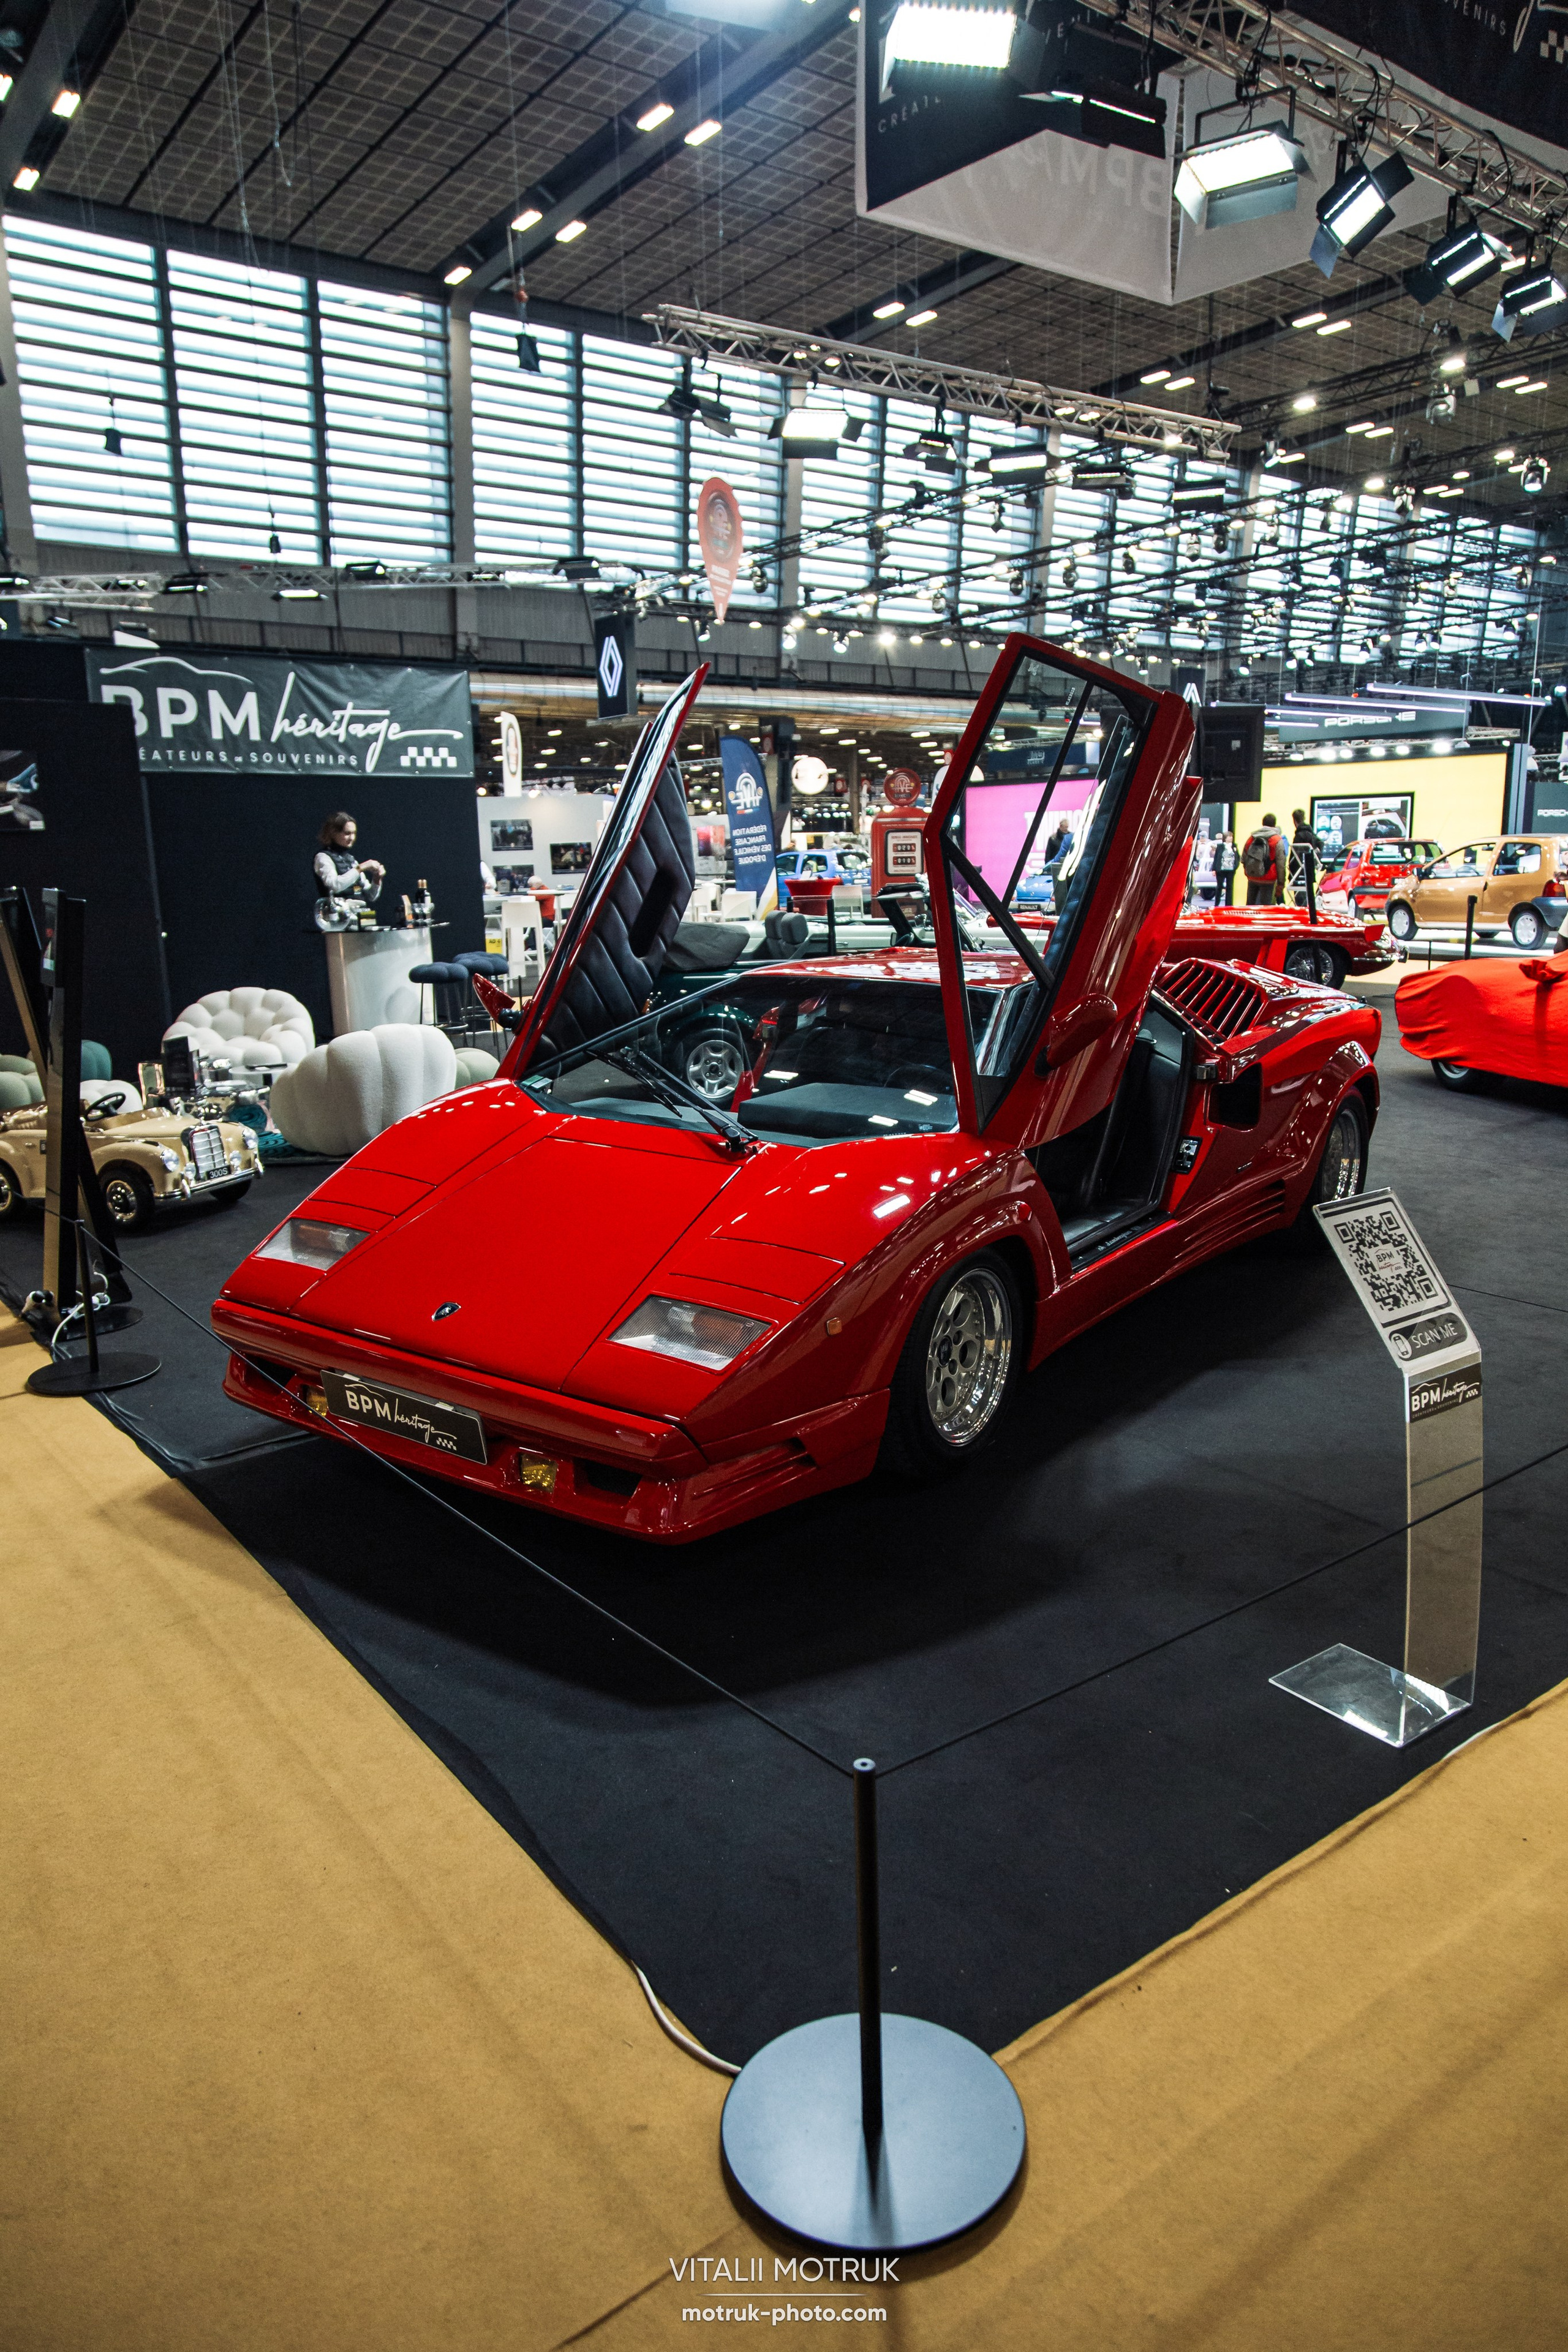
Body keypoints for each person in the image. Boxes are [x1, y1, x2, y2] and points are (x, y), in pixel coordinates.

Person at [314, 812, 384, 915]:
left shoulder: (351, 860)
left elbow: (371, 896)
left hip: (359, 915)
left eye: (354, 833)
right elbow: (335, 886)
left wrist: (377, 879)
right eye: (347, 833)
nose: (352, 838)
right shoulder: (323, 857)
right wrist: (360, 868)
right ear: (333, 833)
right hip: (338, 918)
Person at [1241, 812, 1289, 905]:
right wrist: (1281, 883)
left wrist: (1249, 873)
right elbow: (1281, 864)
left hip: (1252, 877)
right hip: (1269, 879)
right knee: (1267, 907)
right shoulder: (1277, 840)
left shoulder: (1252, 837)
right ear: (1274, 824)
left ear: (1263, 823)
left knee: (1250, 907)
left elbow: (1243, 859)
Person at [1289, 808, 1322, 907]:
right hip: (1310, 873)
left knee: (1300, 905)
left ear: (1294, 820)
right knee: (1309, 903)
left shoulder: (1299, 836)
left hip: (1298, 874)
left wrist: (1290, 873)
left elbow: (1294, 859)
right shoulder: (1313, 835)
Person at [1212, 829, 1240, 907]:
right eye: (1229, 836)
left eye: (1232, 836)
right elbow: (1216, 858)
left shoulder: (1234, 846)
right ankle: (1216, 904)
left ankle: (1229, 904)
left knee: (1230, 887)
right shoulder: (1220, 847)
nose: (1231, 838)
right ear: (1225, 838)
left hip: (1231, 870)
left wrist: (1236, 866)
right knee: (1219, 887)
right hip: (1221, 870)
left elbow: (1237, 857)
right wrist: (1214, 869)